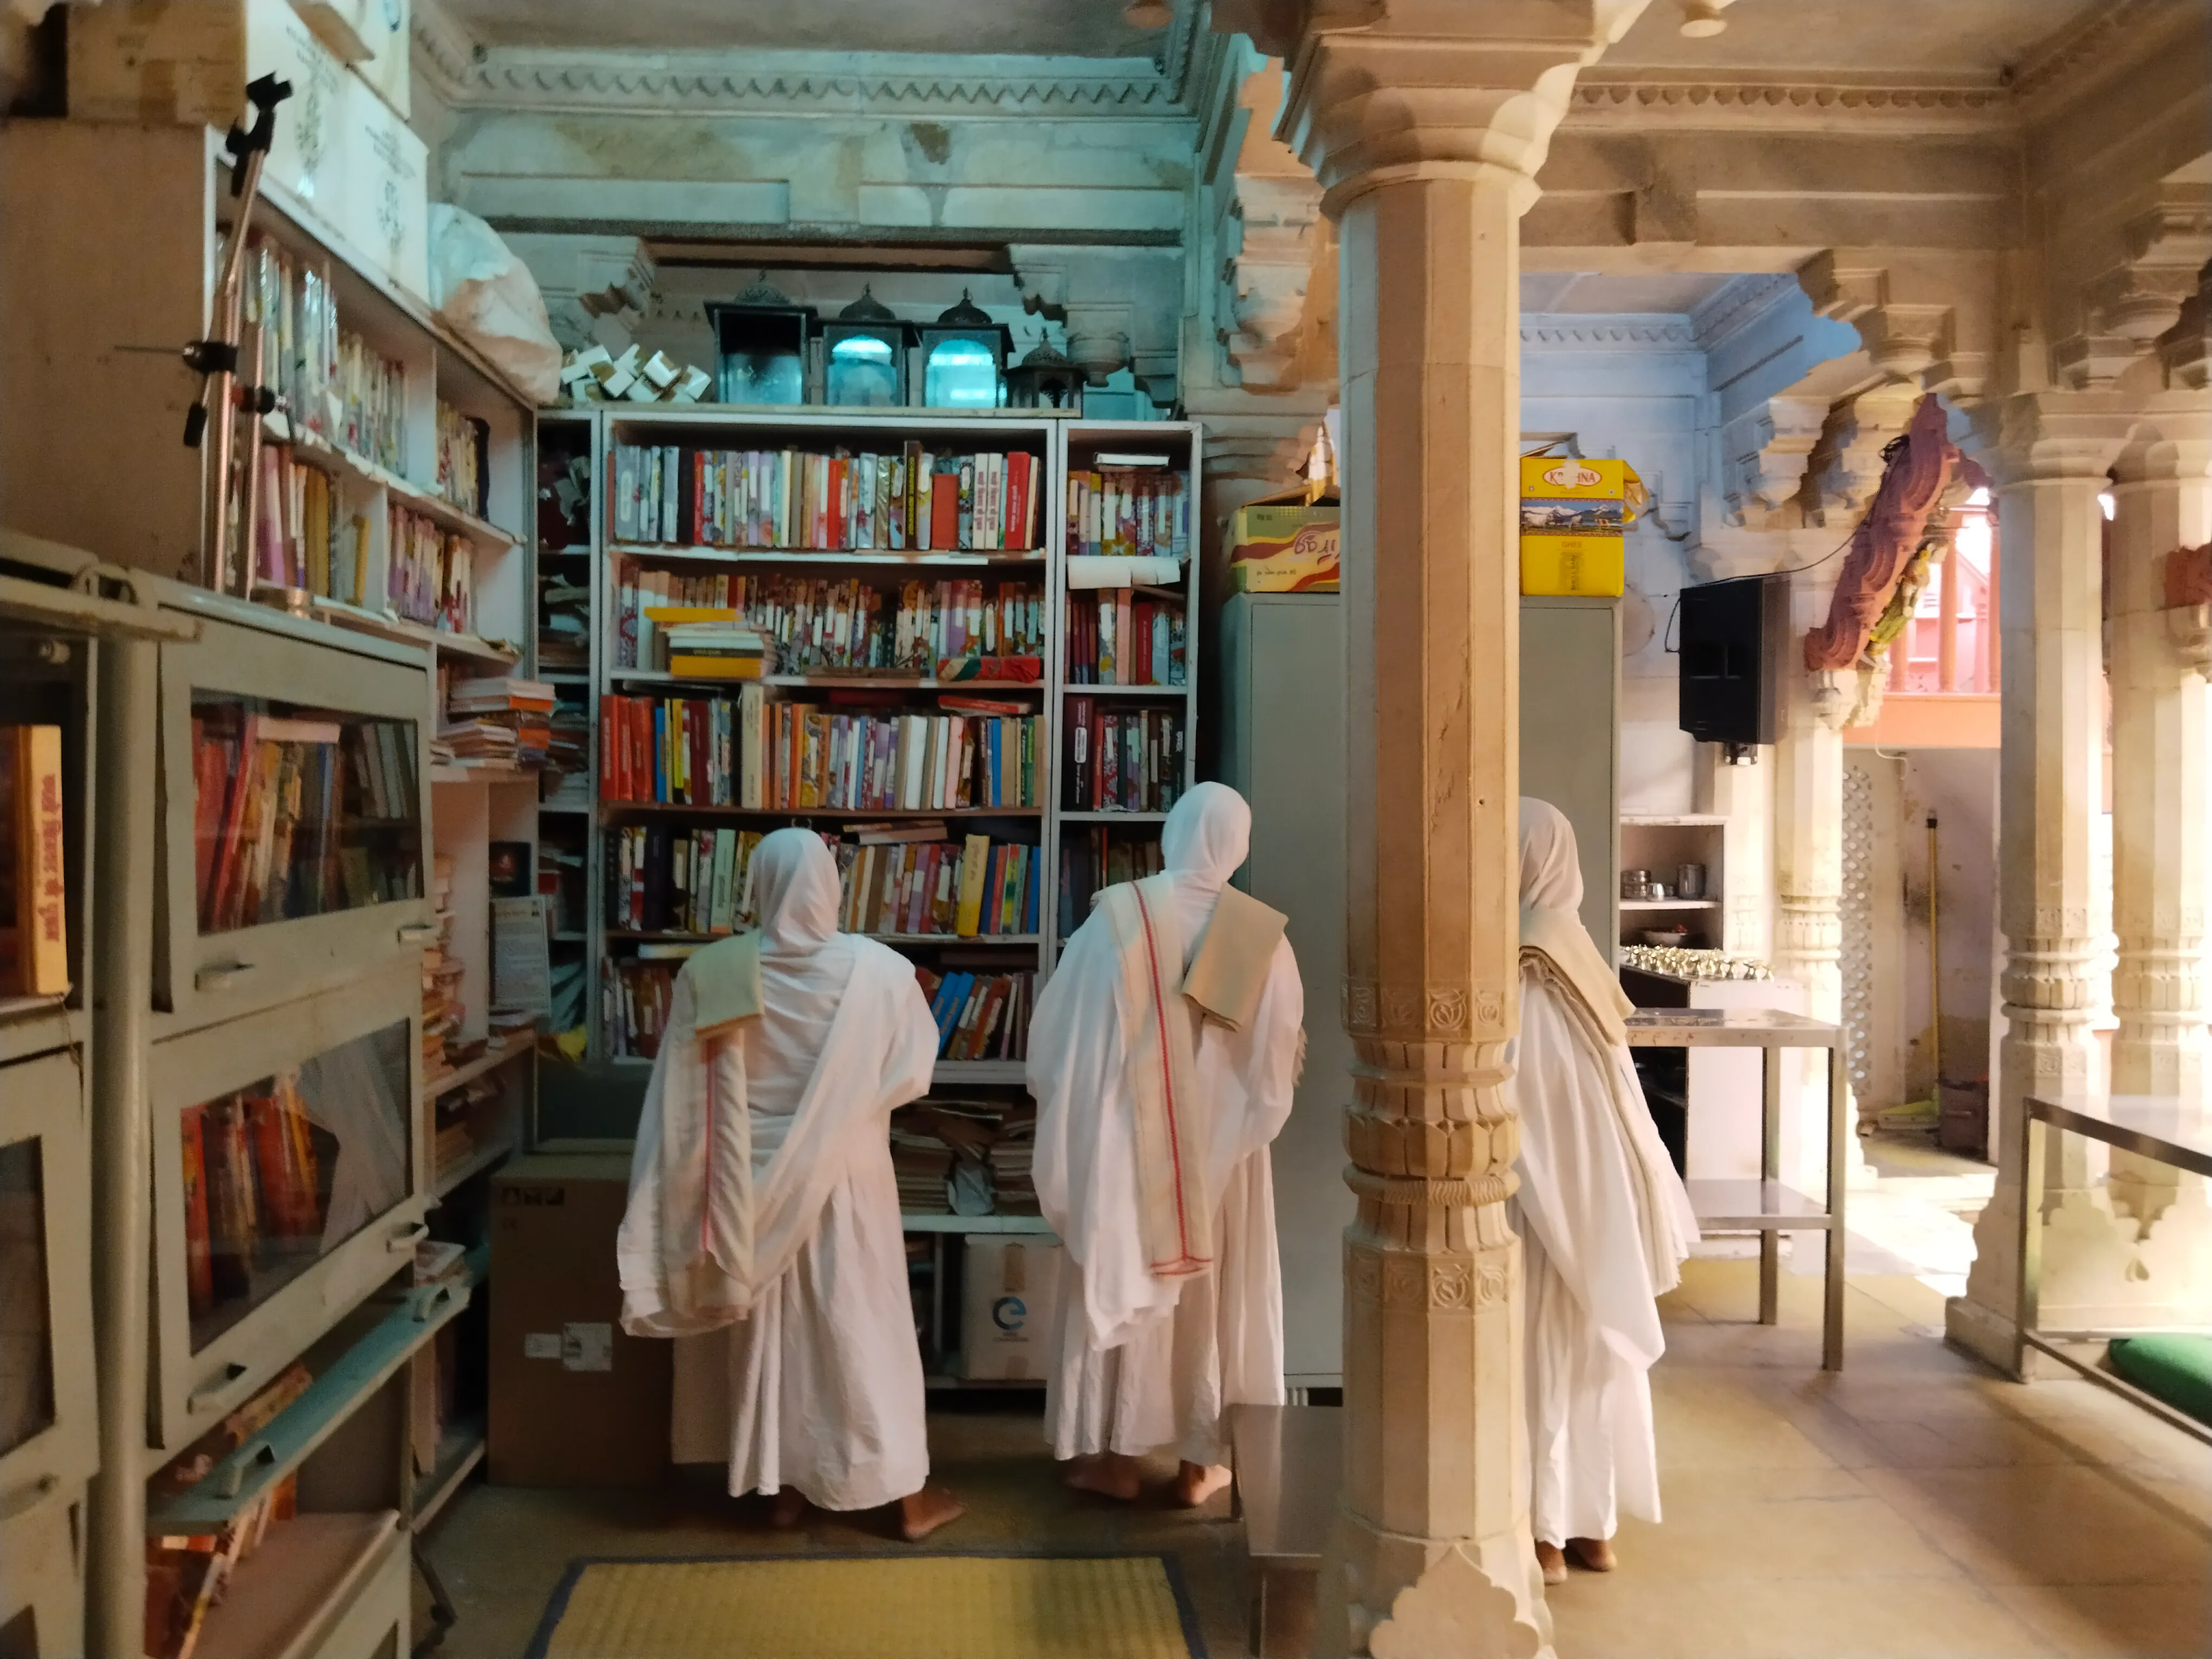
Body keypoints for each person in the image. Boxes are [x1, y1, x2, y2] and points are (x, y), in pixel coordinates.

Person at [614, 827, 964, 1541]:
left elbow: (679, 1093)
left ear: (759, 886)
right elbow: (912, 1074)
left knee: (770, 1338)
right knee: (861, 1331)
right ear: (832, 886)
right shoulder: (882, 973)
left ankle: (778, 1489)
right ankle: (903, 1500)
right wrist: (842, 1108)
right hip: (849, 1182)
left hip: (740, 1188)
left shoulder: (713, 971)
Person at [1027, 782, 1304, 1506]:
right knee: (1212, 1297)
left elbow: (1062, 1041)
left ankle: (1116, 1462)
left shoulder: (1116, 921)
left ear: (1172, 834)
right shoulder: (1261, 938)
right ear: (1239, 846)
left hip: (1131, 1151)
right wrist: (1227, 1128)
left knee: (1130, 1270)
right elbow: (1275, 1065)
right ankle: (1200, 1465)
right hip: (1223, 1163)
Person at [1510, 798, 1698, 1583]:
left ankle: (1545, 1532)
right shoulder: (1577, 954)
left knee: (1539, 1365)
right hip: (1600, 1207)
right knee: (1591, 1365)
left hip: (1543, 1212)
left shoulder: (1523, 967)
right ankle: (1594, 1528)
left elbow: (1529, 1099)